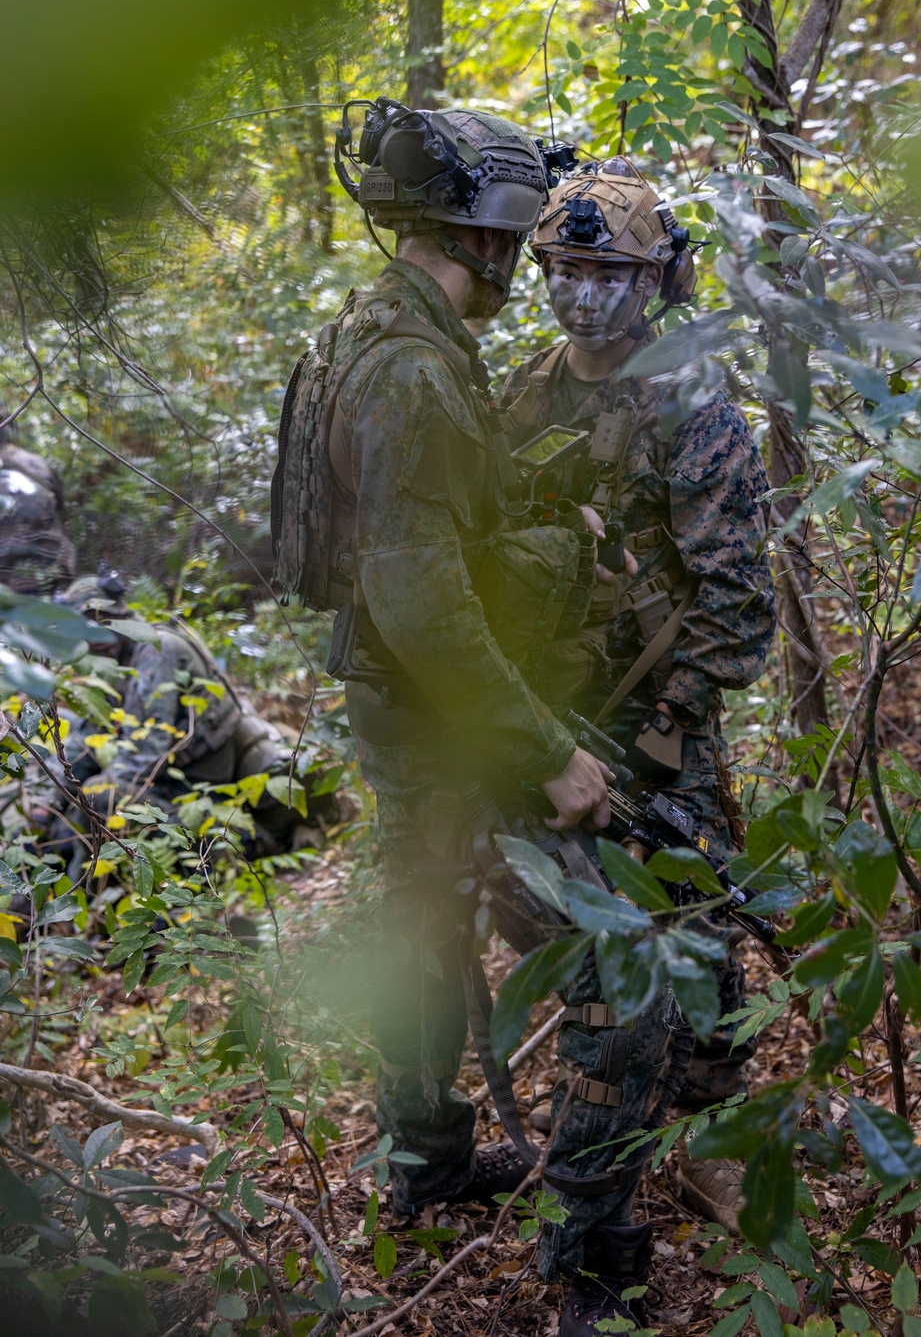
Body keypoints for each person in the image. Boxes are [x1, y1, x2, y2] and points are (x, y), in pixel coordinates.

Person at [270, 103, 614, 1239]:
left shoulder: (373, 334)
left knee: (423, 925)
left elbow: (427, 534)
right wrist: (547, 749)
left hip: (398, 691)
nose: (518, 259)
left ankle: (423, 1160)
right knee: (479, 930)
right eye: (513, 236)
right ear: (483, 234)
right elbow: (422, 599)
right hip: (426, 705)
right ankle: (452, 1168)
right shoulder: (410, 371)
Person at [500, 157, 777, 1329]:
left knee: (703, 933)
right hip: (546, 728)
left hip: (660, 730)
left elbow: (738, 605)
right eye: (562, 269)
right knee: (612, 986)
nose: (580, 296)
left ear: (655, 278)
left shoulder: (693, 402)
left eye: (605, 272)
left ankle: (713, 1139)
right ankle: (592, 1244)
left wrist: (663, 735)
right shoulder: (521, 395)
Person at [33, 570, 305, 858]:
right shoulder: (118, 659)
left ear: (121, 614)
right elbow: (88, 737)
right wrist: (47, 802)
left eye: (102, 622)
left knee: (98, 797)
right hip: (174, 774)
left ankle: (242, 846)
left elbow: (146, 751)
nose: (94, 635)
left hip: (198, 777)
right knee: (72, 816)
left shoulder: (155, 649)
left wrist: (86, 803)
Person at [0, 437, 77, 596]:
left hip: (20, 578)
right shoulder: (36, 463)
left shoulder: (34, 463)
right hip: (49, 573)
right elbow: (60, 509)